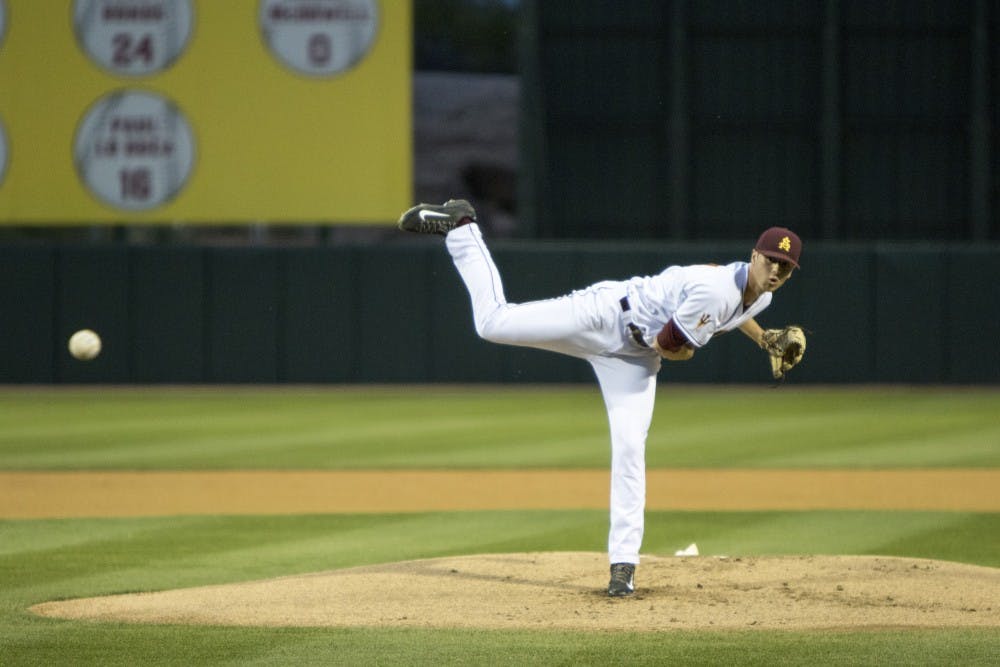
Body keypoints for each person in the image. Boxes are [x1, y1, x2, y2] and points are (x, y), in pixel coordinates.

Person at [398, 199, 803, 597]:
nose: (775, 270)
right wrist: (693, 348)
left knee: (630, 448)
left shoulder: (760, 293)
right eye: (770, 260)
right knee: (492, 323)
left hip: (632, 359)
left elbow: (737, 307)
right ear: (754, 255)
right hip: (605, 316)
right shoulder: (715, 293)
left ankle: (623, 566)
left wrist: (764, 337)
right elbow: (669, 346)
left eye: (784, 267)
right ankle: (463, 228)